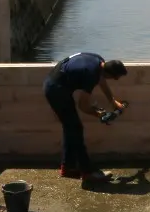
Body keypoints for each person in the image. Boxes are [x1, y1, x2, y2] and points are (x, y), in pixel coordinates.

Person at [42, 52, 127, 182]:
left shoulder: (99, 61)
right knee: (76, 129)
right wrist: (99, 114)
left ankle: (68, 167)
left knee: (70, 127)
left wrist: (112, 101)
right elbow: (82, 105)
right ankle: (87, 173)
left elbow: (102, 81)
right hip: (56, 90)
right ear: (109, 73)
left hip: (56, 82)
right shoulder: (90, 74)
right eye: (114, 78)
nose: (113, 80)